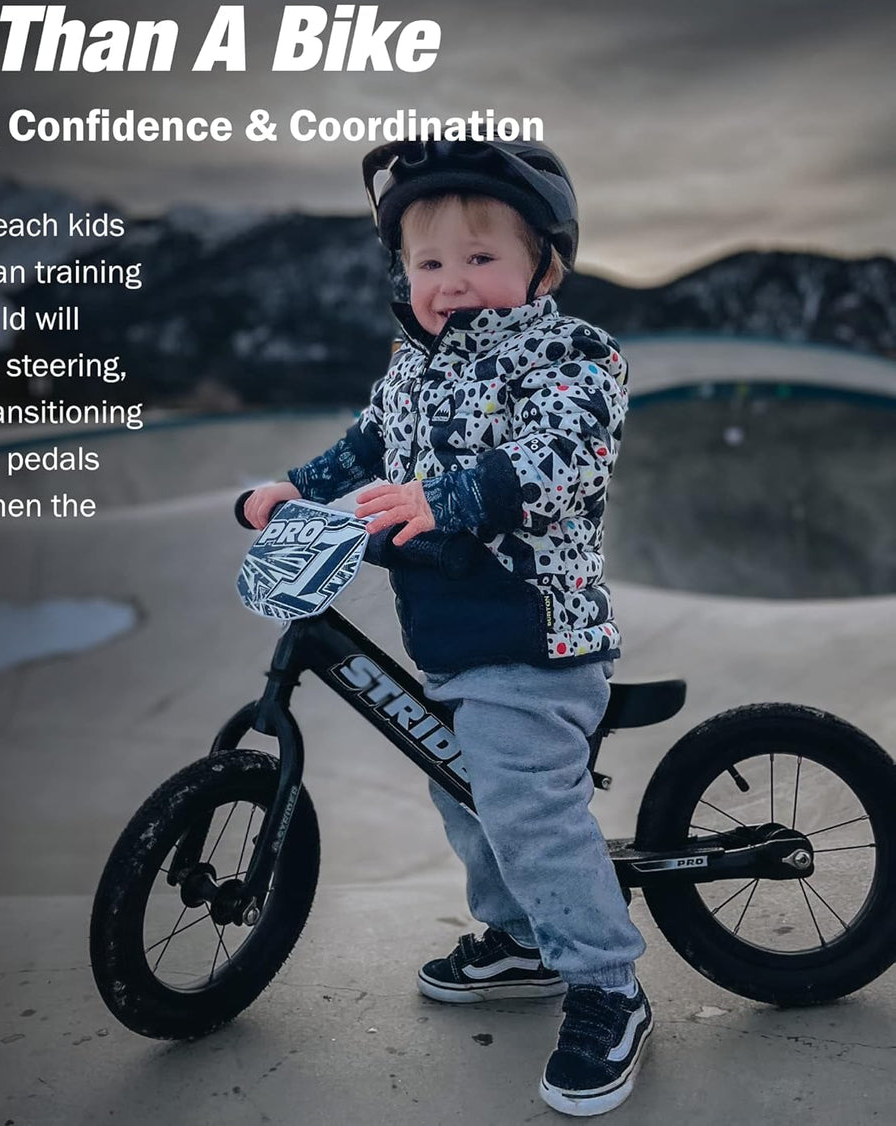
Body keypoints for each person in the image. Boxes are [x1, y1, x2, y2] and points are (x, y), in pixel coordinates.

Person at [243, 139, 650, 1116]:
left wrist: (453, 493)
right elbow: (364, 447)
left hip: (533, 637)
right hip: (452, 640)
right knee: (462, 791)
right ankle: (518, 939)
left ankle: (607, 986)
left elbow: (563, 454)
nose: (451, 282)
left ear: (541, 265)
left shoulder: (573, 354)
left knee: (518, 801)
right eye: (429, 263)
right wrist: (291, 490)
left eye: (479, 259)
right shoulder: (408, 370)